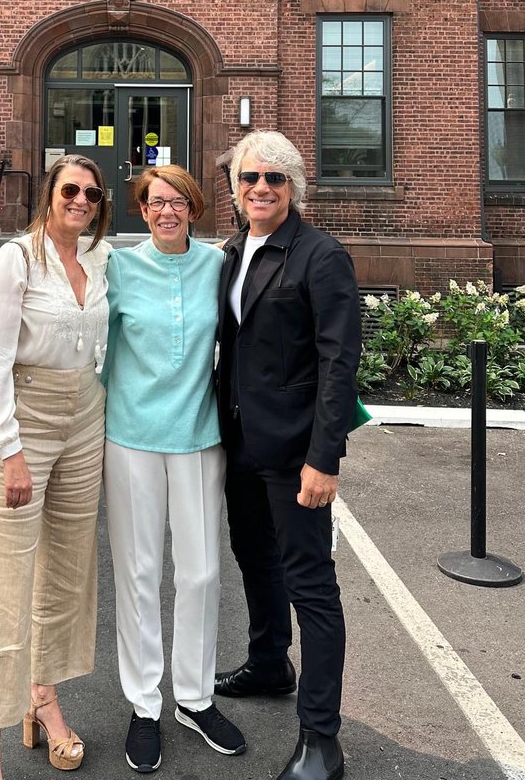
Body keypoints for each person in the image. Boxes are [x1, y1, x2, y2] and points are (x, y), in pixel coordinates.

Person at [213, 131, 361, 780]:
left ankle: (321, 741)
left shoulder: (320, 257)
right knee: (254, 558)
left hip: (296, 451)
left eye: (274, 179)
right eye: (249, 179)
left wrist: (324, 459)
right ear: (236, 189)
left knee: (312, 586)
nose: (260, 189)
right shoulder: (232, 251)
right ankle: (271, 661)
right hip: (239, 442)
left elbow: (339, 363)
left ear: (293, 187)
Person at [0, 155, 112, 780]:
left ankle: (43, 700)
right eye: (69, 190)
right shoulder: (16, 260)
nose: (80, 200)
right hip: (25, 422)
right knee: (6, 580)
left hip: (87, 420)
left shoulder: (102, 261)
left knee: (67, 574)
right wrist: (8, 448)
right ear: (48, 196)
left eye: (92, 193)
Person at [103, 165, 246, 774]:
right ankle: (144, 704)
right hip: (131, 437)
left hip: (199, 437)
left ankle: (193, 696)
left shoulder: (217, 266)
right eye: (156, 202)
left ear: (194, 207)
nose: (167, 211)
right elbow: (93, 347)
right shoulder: (118, 268)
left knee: (203, 572)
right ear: (142, 210)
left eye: (178, 201)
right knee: (138, 572)